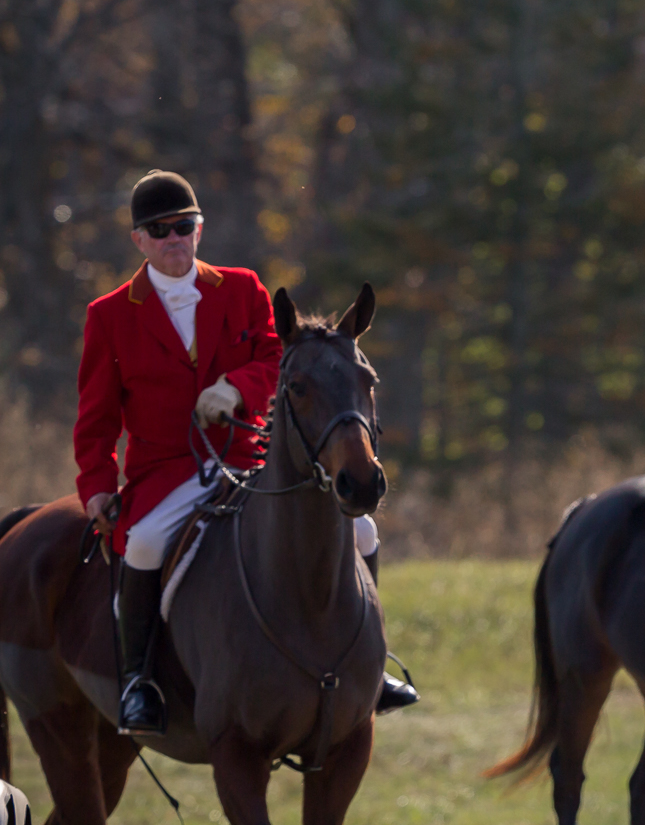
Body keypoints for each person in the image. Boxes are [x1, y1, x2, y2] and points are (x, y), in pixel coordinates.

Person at [75, 171, 415, 736]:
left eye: (183, 226)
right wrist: (97, 487)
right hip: (166, 469)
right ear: (138, 240)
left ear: (199, 229)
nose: (173, 238)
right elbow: (96, 418)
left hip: (250, 454)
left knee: (363, 533)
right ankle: (138, 681)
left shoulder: (243, 288)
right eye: (158, 231)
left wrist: (233, 389)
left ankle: (371, 666)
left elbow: (274, 361)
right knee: (145, 543)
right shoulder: (108, 315)